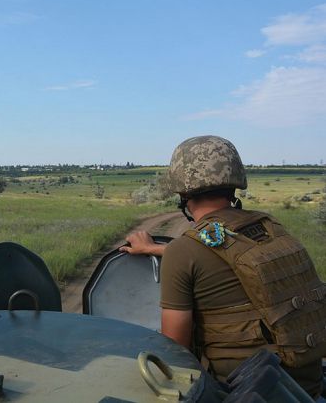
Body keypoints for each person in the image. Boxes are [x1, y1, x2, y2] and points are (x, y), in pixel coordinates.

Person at [120, 135, 325, 398]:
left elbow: (175, 352)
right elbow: (231, 255)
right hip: (305, 386)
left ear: (183, 191)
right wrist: (155, 249)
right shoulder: (270, 227)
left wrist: (168, 255)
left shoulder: (184, 252)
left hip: (243, 392)